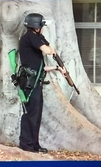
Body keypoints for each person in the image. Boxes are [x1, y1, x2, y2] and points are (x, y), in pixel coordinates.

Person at [18, 13, 66, 154]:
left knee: (36, 114)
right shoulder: (30, 37)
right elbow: (48, 50)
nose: (43, 28)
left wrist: (58, 68)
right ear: (36, 27)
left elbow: (41, 68)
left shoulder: (36, 38)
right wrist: (51, 50)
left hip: (35, 81)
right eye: (42, 26)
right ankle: (26, 145)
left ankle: (34, 144)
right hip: (28, 83)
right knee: (30, 114)